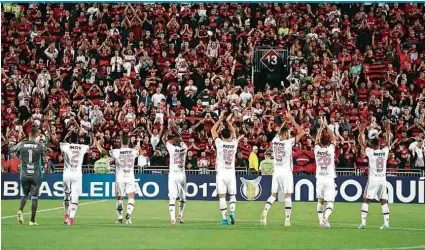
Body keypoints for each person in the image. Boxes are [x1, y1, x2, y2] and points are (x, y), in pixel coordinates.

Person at [261, 112, 305, 227]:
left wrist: (285, 121)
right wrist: (292, 120)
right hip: (286, 172)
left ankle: (265, 211)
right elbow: (302, 132)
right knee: (287, 195)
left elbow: (280, 131)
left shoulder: (275, 141)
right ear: (285, 135)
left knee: (273, 195)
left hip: (277, 172)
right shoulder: (288, 142)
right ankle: (287, 219)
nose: (290, 135)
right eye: (288, 133)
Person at [10, 127, 48, 226]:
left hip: (24, 174)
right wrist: (44, 140)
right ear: (36, 135)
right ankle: (32, 220)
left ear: (29, 135)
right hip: (35, 175)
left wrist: (13, 143)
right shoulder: (39, 145)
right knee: (34, 198)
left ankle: (20, 210)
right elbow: (46, 149)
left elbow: (11, 150)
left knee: (25, 195)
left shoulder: (22, 144)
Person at [358, 120, 392, 230]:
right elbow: (388, 143)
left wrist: (361, 132)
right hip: (382, 179)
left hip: (373, 180)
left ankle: (363, 223)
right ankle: (386, 223)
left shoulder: (370, 152)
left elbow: (362, 144)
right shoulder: (385, 151)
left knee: (366, 200)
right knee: (383, 201)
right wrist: (387, 129)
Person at [97, 136, 139, 224]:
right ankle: (128, 214)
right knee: (131, 197)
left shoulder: (115, 151)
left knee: (119, 198)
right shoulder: (134, 151)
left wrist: (98, 143)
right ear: (128, 142)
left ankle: (120, 218)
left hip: (120, 178)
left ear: (120, 142)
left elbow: (103, 151)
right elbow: (139, 151)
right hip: (130, 177)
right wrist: (138, 144)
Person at [211, 112, 240, 225]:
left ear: (222, 136)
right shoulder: (234, 143)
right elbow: (233, 131)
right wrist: (228, 121)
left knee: (222, 196)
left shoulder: (219, 143)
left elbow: (213, 131)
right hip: (231, 172)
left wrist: (220, 119)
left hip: (221, 173)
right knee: (232, 195)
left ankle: (224, 219)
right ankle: (232, 211)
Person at [58, 133, 90, 225]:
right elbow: (90, 146)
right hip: (77, 175)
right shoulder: (82, 147)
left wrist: (65, 136)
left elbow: (56, 143)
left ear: (70, 139)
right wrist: (91, 137)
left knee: (67, 195)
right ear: (78, 139)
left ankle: (66, 215)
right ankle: (71, 218)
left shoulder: (66, 146)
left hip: (67, 174)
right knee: (75, 197)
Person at [314, 119, 337, 228]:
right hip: (329, 178)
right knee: (330, 201)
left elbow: (317, 139)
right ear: (327, 142)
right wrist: (327, 126)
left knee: (320, 201)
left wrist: (321, 128)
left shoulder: (317, 149)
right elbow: (333, 138)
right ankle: (325, 217)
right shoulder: (331, 149)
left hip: (320, 178)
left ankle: (320, 222)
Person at [164, 128, 188, 224]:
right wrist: (176, 132)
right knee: (183, 197)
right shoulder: (185, 148)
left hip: (173, 175)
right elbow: (181, 139)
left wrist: (169, 130)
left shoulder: (172, 149)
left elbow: (165, 139)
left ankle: (172, 218)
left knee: (172, 197)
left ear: (174, 141)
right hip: (182, 175)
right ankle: (180, 215)